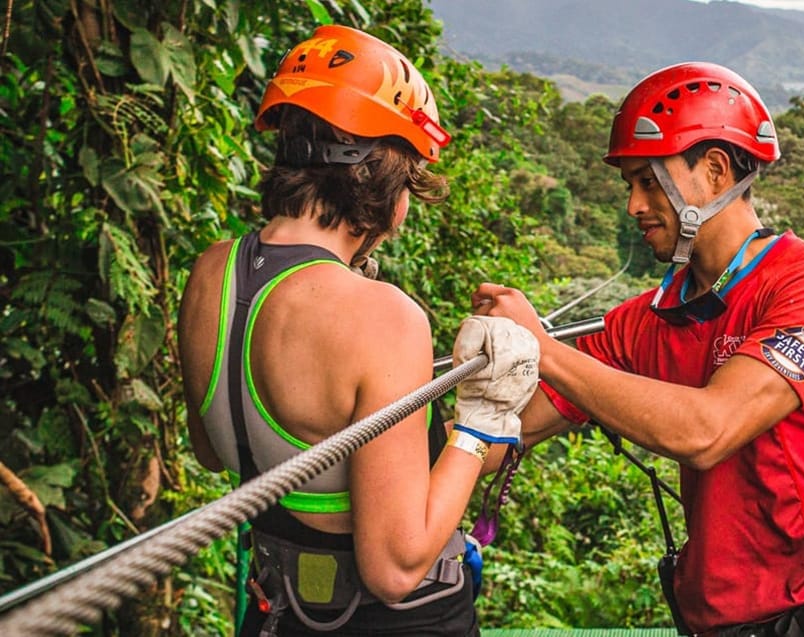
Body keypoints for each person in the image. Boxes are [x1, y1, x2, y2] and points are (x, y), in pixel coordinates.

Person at [473, 62, 804, 636]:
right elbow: (504, 434)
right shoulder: (649, 319)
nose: (633, 206)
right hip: (714, 620)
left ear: (716, 171)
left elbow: (706, 431)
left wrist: (542, 347)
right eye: (630, 186)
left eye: (649, 181)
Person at [178, 24, 538, 636]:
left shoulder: (212, 270)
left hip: (278, 610)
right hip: (395, 621)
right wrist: (484, 422)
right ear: (387, 186)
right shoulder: (382, 315)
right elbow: (395, 566)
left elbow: (213, 451)